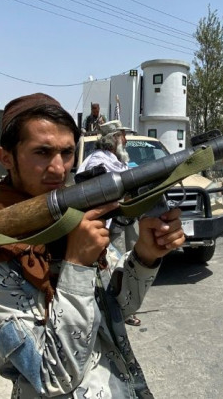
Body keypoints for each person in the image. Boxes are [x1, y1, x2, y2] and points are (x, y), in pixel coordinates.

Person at [0, 93, 184, 396]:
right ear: (6, 157)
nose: (59, 169)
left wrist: (145, 255)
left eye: (66, 152)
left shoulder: (71, 222)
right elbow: (52, 376)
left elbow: (119, 308)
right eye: (42, 152)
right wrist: (77, 265)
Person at [76, 119, 141, 326]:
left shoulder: (115, 159)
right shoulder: (97, 163)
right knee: (116, 268)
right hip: (109, 225)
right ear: (114, 139)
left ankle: (124, 306)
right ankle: (120, 310)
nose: (126, 140)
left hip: (124, 220)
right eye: (123, 136)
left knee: (130, 263)